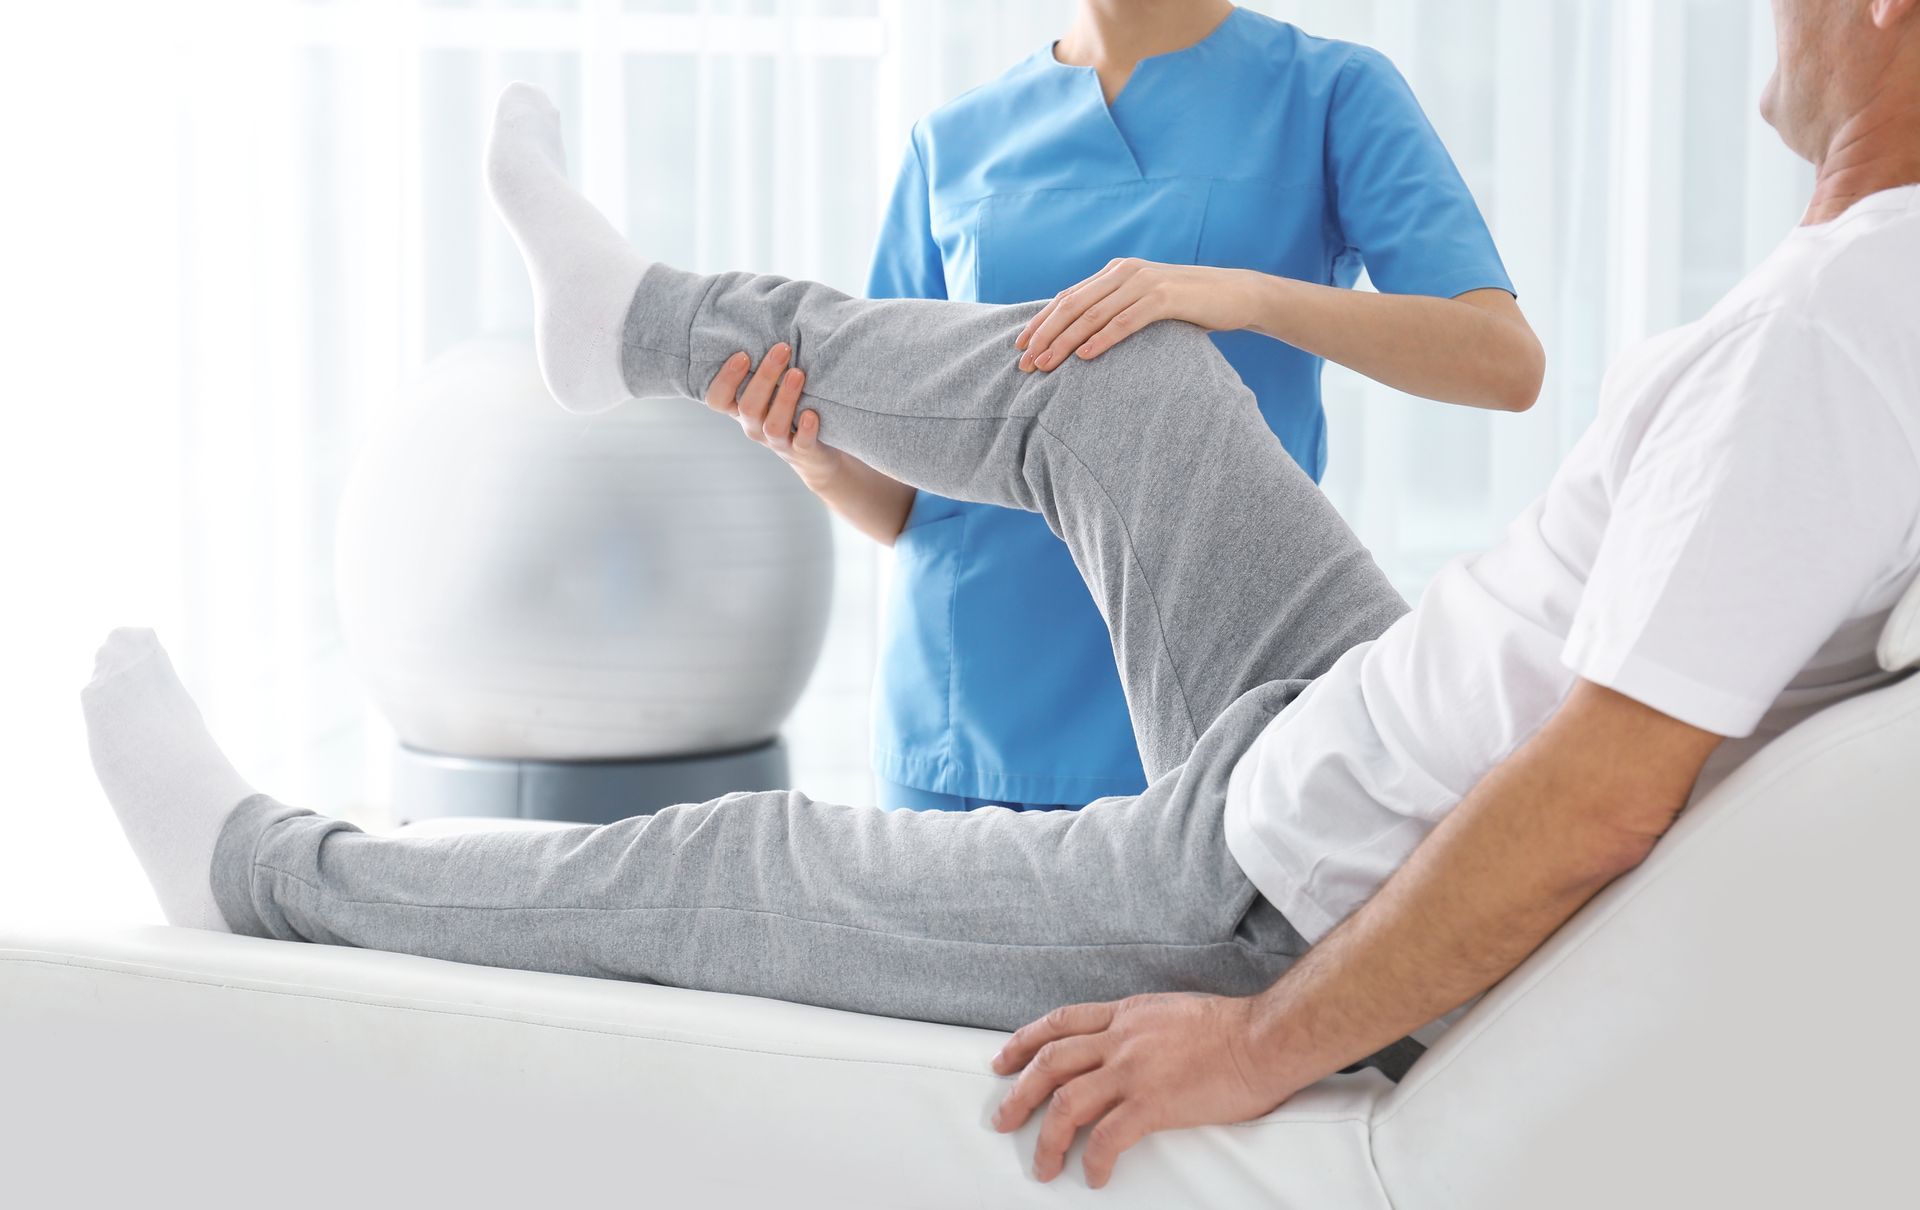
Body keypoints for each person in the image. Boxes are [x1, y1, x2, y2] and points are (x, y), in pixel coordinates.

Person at [86, 0, 1920, 1189]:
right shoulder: (1854, 287)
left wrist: (1267, 1045)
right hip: (1345, 706)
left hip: (1280, 879)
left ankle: (257, 871)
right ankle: (640, 319)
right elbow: (903, 494)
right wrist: (808, 447)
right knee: (1125, 370)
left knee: (751, 864)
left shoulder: (1847, 320)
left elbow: (1603, 785)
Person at [708, 1, 1543, 814]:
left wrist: (1243, 295)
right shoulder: (953, 141)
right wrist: (815, 455)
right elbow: (908, 500)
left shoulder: (1328, 94)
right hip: (966, 716)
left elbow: (1503, 363)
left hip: (1218, 709)